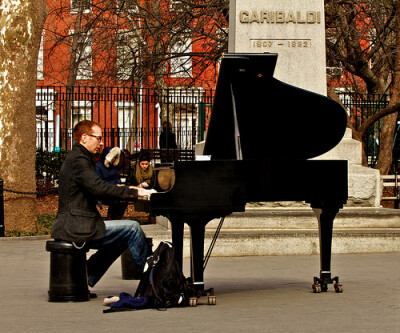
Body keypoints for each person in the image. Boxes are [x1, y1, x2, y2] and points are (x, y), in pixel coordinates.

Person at [51, 120, 152, 289]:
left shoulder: (80, 158)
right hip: (76, 226)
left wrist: (130, 188)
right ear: (84, 138)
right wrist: (135, 192)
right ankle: (153, 282)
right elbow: (98, 188)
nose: (102, 142)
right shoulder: (79, 160)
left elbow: (96, 187)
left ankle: (87, 275)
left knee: (122, 236)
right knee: (133, 228)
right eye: (98, 138)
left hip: (79, 222)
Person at [96, 146, 128, 220]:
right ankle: (110, 218)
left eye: (115, 157)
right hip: (103, 192)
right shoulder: (98, 167)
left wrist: (118, 184)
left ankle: (117, 218)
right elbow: (99, 182)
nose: (113, 159)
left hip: (113, 190)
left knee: (124, 199)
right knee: (115, 199)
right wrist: (114, 184)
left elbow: (117, 178)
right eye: (112, 157)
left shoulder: (113, 166)